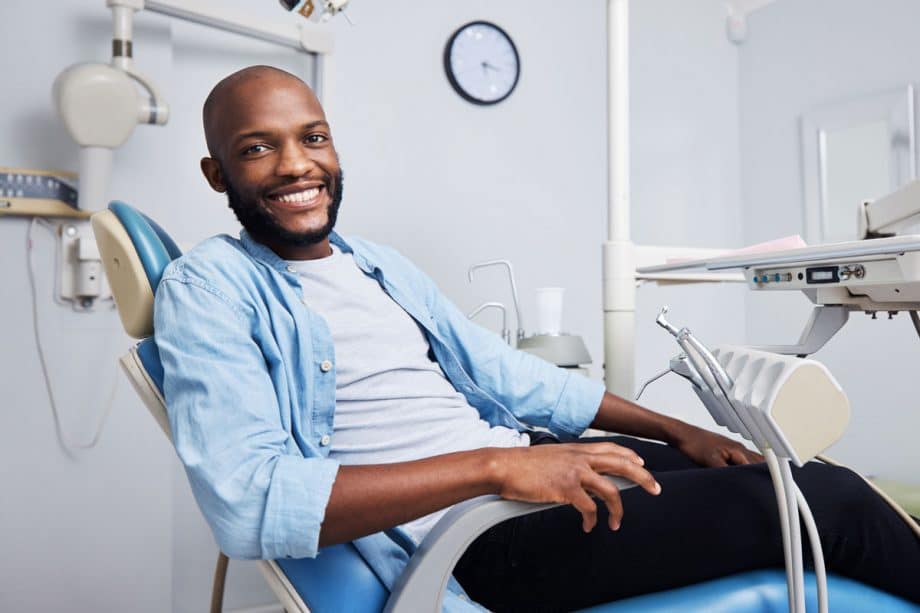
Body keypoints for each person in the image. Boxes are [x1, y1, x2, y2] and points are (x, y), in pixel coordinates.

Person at [154, 65, 920, 612]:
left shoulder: (372, 264)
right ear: (216, 174)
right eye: (258, 147)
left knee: (792, 471)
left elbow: (510, 375)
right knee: (836, 504)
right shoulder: (209, 288)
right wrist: (497, 467)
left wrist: (679, 430)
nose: (297, 165)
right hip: (480, 539)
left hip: (520, 478)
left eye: (312, 137)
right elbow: (251, 504)